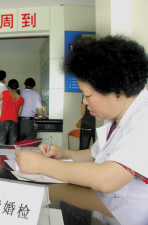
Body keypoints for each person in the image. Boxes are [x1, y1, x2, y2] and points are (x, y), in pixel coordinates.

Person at [15, 35, 148, 223]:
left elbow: (107, 178)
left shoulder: (144, 119)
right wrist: (63, 153)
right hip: (107, 213)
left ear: (118, 91)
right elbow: (96, 155)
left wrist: (41, 165)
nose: (85, 102)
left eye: (87, 95)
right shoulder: (116, 118)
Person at [0, 79, 24, 146]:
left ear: (8, 87)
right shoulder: (21, 99)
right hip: (14, 122)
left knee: (1, 144)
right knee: (13, 145)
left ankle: (1, 156)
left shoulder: (5, 93)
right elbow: (19, 113)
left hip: (3, 121)